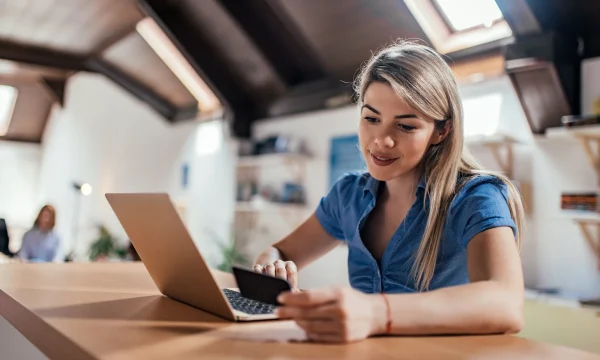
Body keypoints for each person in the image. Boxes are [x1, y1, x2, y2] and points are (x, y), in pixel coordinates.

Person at [253, 40, 525, 343]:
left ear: (441, 131)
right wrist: (271, 267)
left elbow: (507, 304)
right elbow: (281, 251)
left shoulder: (477, 197)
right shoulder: (348, 194)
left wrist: (374, 312)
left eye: (405, 126)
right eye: (371, 119)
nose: (382, 140)